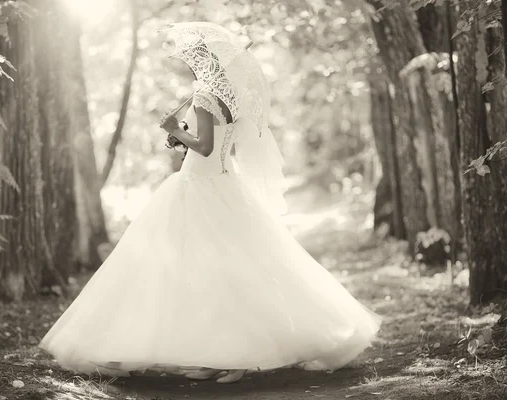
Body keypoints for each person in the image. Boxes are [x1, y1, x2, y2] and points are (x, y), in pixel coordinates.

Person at [39, 22, 381, 385]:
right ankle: (220, 355)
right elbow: (212, 144)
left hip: (198, 183)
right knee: (223, 268)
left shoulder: (204, 96)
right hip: (222, 180)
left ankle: (226, 357)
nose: (189, 60)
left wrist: (174, 129)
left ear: (202, 60)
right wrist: (180, 139)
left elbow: (203, 146)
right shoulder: (228, 98)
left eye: (194, 56)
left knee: (190, 263)